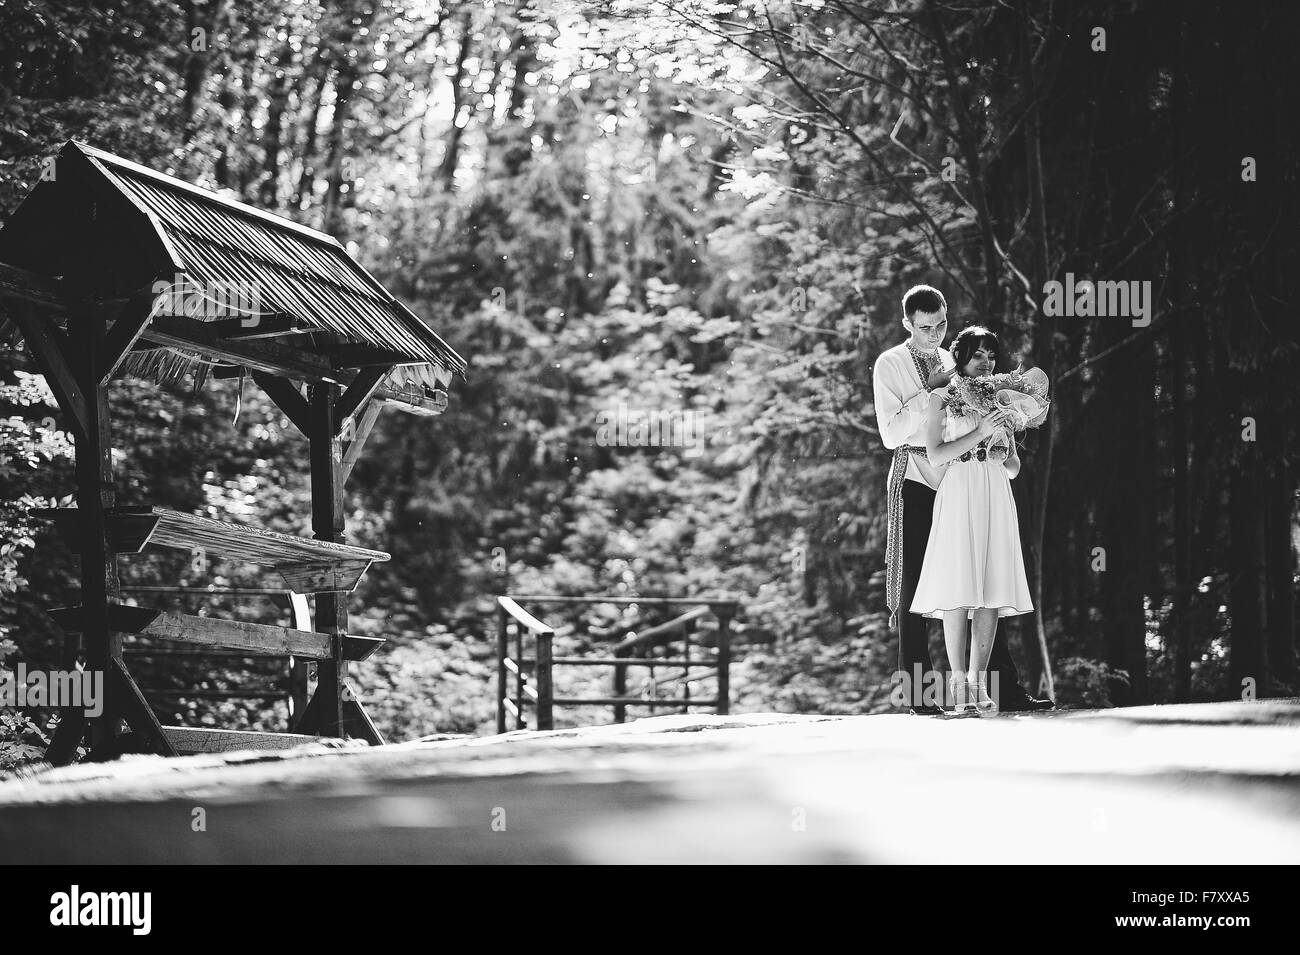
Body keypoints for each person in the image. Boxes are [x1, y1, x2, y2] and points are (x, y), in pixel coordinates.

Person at [872, 286, 1052, 714]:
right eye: (924, 327)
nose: (934, 334)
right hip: (917, 474)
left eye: (941, 325)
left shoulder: (959, 358)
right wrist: (933, 392)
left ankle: (998, 686)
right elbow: (891, 433)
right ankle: (920, 694)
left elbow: (981, 410)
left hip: (965, 480)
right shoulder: (890, 364)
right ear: (907, 324)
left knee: (983, 577)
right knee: (919, 581)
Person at [910, 325, 1035, 715]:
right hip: (960, 489)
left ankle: (981, 683)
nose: (986, 362)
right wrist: (979, 431)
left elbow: (1014, 467)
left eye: (991, 355)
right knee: (958, 584)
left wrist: (1002, 448)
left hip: (995, 489)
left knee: (991, 587)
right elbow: (934, 454)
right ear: (961, 357)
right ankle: (958, 682)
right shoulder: (941, 398)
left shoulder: (1001, 399)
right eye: (978, 354)